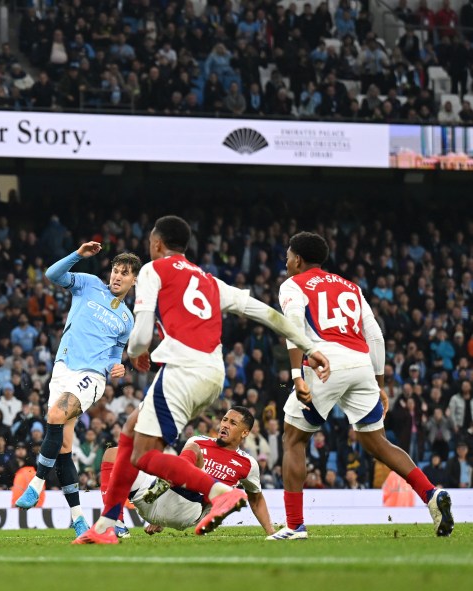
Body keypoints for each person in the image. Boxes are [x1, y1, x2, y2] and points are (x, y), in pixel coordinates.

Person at [76, 216, 331, 544]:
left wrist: (139, 352)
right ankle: (106, 525)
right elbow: (265, 313)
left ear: (156, 244)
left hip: (182, 369)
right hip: (212, 374)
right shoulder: (210, 281)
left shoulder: (154, 270)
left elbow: (140, 335)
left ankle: (220, 492)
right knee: (130, 431)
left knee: (142, 455)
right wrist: (311, 347)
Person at [270, 231, 453, 540]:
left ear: (298, 259)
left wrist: (296, 376)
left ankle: (294, 525)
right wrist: (379, 383)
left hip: (324, 364)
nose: (285, 262)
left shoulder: (293, 284)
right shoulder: (350, 286)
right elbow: (376, 336)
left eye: (287, 257)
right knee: (376, 443)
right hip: (361, 365)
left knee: (293, 440)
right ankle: (431, 494)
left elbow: (292, 327)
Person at [15, 242, 141, 539]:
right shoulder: (89, 284)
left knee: (56, 415)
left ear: (134, 280)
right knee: (62, 446)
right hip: (62, 369)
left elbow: (115, 353)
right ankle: (78, 518)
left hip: (91, 378)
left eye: (124, 273)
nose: (117, 276)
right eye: (115, 270)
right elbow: (51, 275)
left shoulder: (127, 319)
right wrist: (78, 256)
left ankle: (36, 484)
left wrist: (117, 366)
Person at [101, 407, 275, 536]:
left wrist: (271, 532)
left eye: (232, 423)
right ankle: (117, 523)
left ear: (244, 433)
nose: (225, 425)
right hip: (161, 499)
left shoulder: (248, 463)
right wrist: (161, 520)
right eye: (224, 420)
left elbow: (256, 498)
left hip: (193, 508)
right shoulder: (199, 439)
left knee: (193, 449)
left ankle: (167, 481)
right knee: (112, 454)